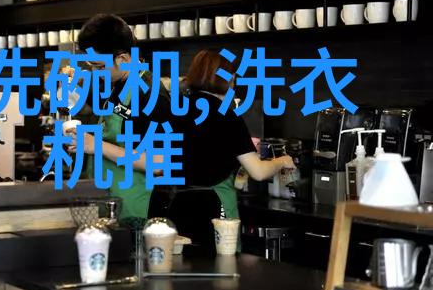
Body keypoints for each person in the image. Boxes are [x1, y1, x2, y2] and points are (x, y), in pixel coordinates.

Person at [153, 50, 296, 252]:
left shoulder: (175, 111)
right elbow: (258, 171)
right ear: (228, 79)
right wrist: (282, 161)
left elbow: (158, 162)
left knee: (183, 264)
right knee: (222, 266)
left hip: (178, 205)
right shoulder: (228, 118)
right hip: (215, 206)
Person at [72, 14, 173, 222]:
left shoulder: (151, 95)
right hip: (107, 203)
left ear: (124, 59)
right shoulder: (117, 85)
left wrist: (96, 146)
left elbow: (159, 162)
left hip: (135, 211)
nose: (96, 72)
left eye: (100, 66)